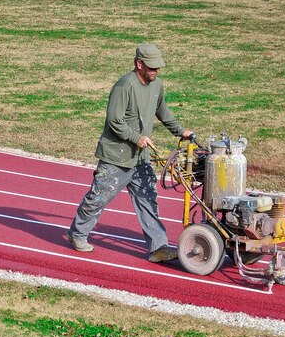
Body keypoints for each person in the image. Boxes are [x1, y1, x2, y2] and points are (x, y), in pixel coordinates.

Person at [66, 43, 194, 262]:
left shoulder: (157, 85)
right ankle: (77, 233)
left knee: (148, 200)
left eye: (158, 68)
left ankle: (158, 246)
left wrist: (180, 131)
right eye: (152, 67)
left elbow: (162, 111)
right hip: (116, 156)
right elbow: (114, 120)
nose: (156, 71)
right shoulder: (125, 86)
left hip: (141, 158)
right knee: (98, 198)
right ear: (139, 64)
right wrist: (137, 137)